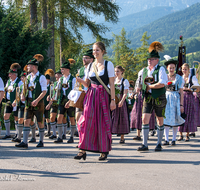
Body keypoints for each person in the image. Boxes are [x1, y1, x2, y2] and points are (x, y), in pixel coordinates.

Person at [74, 41, 116, 161]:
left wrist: (112, 100)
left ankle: (104, 150)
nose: (95, 52)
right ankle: (82, 149)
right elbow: (87, 83)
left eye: (97, 50)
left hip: (103, 96)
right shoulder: (90, 66)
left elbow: (112, 84)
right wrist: (79, 80)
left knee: (102, 122)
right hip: (91, 95)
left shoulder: (109, 64)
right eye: (93, 50)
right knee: (85, 121)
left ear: (103, 51)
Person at [136, 41, 167, 151]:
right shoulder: (143, 70)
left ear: (157, 60)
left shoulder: (161, 69)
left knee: (160, 120)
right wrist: (138, 88)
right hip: (148, 97)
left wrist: (150, 87)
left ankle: (159, 143)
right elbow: (139, 81)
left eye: (152, 59)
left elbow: (162, 83)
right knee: (144, 119)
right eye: (148, 59)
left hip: (159, 96)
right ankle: (145, 144)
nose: (149, 61)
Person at [16, 54, 47, 148]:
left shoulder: (41, 77)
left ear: (33, 66)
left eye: (29, 66)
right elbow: (23, 89)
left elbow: (44, 91)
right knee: (26, 121)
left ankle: (41, 141)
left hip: (39, 102)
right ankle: (24, 142)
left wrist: (37, 100)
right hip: (28, 102)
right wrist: (22, 95)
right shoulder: (28, 77)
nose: (27, 67)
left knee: (40, 122)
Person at [163, 56, 185, 146]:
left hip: (175, 99)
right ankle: (166, 139)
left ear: (175, 68)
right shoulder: (164, 77)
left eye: (173, 68)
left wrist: (181, 105)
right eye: (170, 68)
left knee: (175, 118)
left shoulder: (179, 78)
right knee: (166, 119)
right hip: (166, 98)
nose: (171, 69)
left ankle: (174, 139)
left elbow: (181, 92)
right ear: (167, 68)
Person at [53, 60, 76, 143]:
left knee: (72, 118)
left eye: (63, 69)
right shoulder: (61, 79)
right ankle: (60, 137)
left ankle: (72, 136)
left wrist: (69, 101)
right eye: (61, 69)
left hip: (70, 100)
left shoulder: (73, 79)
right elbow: (57, 89)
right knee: (59, 117)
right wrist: (53, 97)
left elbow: (74, 91)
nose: (61, 71)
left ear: (67, 70)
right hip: (62, 100)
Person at [131, 69, 155, 140]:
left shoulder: (150, 77)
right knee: (138, 114)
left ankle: (146, 134)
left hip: (148, 95)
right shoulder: (140, 77)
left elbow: (150, 86)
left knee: (147, 115)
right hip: (140, 95)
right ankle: (138, 135)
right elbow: (136, 87)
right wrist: (134, 93)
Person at [75, 49, 94, 139]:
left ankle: (89, 137)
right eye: (83, 58)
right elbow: (77, 84)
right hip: (81, 95)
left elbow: (88, 84)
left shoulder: (94, 68)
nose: (84, 59)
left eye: (86, 58)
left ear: (91, 59)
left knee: (89, 118)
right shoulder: (81, 70)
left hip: (91, 95)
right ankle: (81, 139)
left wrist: (81, 81)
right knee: (78, 117)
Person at [178, 63, 200, 141]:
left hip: (189, 97)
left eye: (185, 69)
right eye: (183, 69)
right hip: (182, 97)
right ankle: (180, 134)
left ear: (189, 70)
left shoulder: (192, 77)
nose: (184, 71)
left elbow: (197, 87)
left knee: (188, 115)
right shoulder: (181, 77)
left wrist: (189, 89)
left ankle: (187, 135)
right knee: (180, 115)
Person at [2, 63, 23, 139]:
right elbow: (5, 89)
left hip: (16, 102)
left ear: (14, 74)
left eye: (10, 74)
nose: (9, 76)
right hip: (9, 101)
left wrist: (16, 100)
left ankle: (17, 134)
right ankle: (8, 133)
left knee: (16, 118)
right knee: (5, 116)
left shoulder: (19, 82)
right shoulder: (9, 82)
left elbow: (21, 93)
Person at [111, 66, 130, 143]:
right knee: (112, 118)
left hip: (121, 100)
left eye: (118, 71)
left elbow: (125, 93)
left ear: (122, 72)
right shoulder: (113, 81)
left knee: (122, 118)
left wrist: (122, 101)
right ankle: (110, 137)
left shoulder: (124, 81)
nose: (116, 73)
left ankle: (122, 138)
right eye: (115, 71)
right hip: (114, 100)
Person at [46, 69, 62, 139]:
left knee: (60, 119)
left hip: (60, 101)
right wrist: (49, 96)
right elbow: (52, 93)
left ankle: (62, 134)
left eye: (58, 74)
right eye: (56, 74)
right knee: (52, 117)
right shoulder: (54, 83)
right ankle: (54, 134)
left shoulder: (63, 82)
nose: (57, 75)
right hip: (54, 102)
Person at [44, 69, 55, 137]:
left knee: (48, 118)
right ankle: (41, 130)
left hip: (48, 104)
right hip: (42, 103)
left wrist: (49, 104)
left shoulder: (51, 87)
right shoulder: (43, 86)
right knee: (42, 118)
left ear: (48, 80)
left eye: (46, 80)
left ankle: (48, 131)